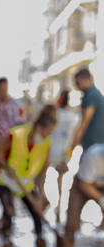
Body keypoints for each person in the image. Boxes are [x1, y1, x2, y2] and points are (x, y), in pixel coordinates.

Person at [0, 104, 58, 247]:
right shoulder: (16, 134)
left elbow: (43, 174)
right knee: (9, 212)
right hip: (5, 180)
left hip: (25, 185)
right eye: (48, 132)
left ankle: (40, 243)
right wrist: (6, 165)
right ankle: (7, 245)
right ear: (39, 127)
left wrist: (40, 199)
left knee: (36, 214)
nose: (48, 136)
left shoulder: (46, 144)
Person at [60, 142, 104, 247]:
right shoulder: (93, 155)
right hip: (83, 185)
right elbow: (84, 184)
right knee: (72, 224)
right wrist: (100, 199)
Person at [49, 90, 78, 222]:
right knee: (61, 183)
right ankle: (60, 209)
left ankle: (57, 209)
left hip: (53, 153)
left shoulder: (56, 114)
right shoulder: (73, 117)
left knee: (55, 182)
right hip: (65, 154)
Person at [69, 68, 104, 154]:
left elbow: (84, 124)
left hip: (94, 147)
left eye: (78, 83)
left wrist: (70, 150)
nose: (77, 86)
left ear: (87, 79)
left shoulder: (92, 96)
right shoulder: (92, 94)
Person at [0, 77, 24, 141]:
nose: (3, 92)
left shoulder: (14, 105)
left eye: (5, 89)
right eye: (1, 89)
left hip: (10, 140)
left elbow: (18, 122)